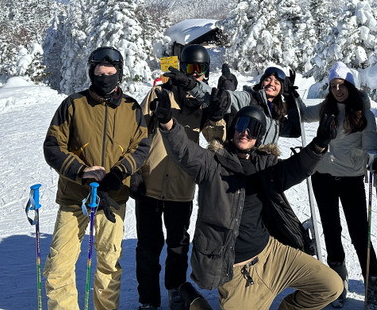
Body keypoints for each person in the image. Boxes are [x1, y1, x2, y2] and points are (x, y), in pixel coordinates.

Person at [155, 99, 344, 310]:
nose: (245, 132)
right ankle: (196, 302)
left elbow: (293, 169)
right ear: (234, 128)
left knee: (331, 286)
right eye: (242, 125)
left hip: (272, 255)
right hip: (237, 269)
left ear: (259, 137)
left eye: (253, 129)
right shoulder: (211, 163)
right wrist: (167, 124)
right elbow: (184, 151)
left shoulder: (264, 165)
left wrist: (318, 144)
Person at [42, 46, 150, 310]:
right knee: (58, 265)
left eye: (111, 72)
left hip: (112, 197)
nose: (105, 77)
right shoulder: (73, 104)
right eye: (100, 72)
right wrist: (81, 172)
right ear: (91, 72)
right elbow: (53, 146)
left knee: (109, 265)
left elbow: (141, 147)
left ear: (119, 74)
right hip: (75, 195)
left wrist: (119, 173)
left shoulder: (131, 108)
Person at [133, 44, 224, 310]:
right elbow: (137, 133)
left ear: (206, 73)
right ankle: (148, 300)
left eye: (200, 70)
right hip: (149, 186)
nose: (194, 75)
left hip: (182, 188)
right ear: (181, 68)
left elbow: (217, 142)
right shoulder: (159, 94)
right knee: (148, 249)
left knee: (178, 246)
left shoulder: (204, 105)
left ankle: (175, 289)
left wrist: (216, 115)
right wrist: (136, 172)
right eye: (189, 69)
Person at [300, 61, 377, 309]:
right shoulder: (325, 109)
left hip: (350, 179)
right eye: (333, 85)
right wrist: (290, 94)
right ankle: (337, 281)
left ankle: (374, 284)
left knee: (360, 233)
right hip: (322, 177)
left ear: (351, 86)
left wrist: (375, 159)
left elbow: (371, 144)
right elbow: (302, 113)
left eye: (342, 85)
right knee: (330, 229)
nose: (338, 90)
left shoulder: (363, 113)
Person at [209, 65, 303, 146]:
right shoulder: (249, 99)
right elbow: (230, 98)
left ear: (281, 89)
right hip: (242, 160)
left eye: (276, 83)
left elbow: (295, 130)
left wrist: (290, 97)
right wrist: (222, 94)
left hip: (265, 164)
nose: (271, 84)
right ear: (261, 83)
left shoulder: (275, 113)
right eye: (267, 80)